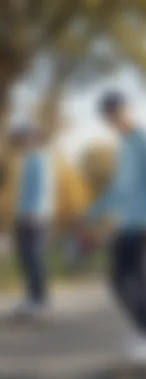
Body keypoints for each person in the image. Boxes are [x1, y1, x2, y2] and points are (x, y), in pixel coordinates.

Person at [84, 91, 146, 364]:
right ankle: (142, 332)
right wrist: (93, 212)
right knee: (118, 280)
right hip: (126, 223)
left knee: (141, 282)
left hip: (144, 222)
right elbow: (120, 189)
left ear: (129, 110)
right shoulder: (125, 145)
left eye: (117, 113)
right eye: (109, 116)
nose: (114, 120)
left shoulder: (144, 139)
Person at [11, 123, 55, 320]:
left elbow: (41, 189)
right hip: (24, 215)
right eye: (23, 138)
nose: (24, 141)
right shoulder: (27, 159)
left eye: (27, 137)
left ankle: (40, 301)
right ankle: (31, 297)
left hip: (36, 216)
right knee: (25, 258)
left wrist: (33, 213)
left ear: (35, 138)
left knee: (34, 258)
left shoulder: (40, 159)